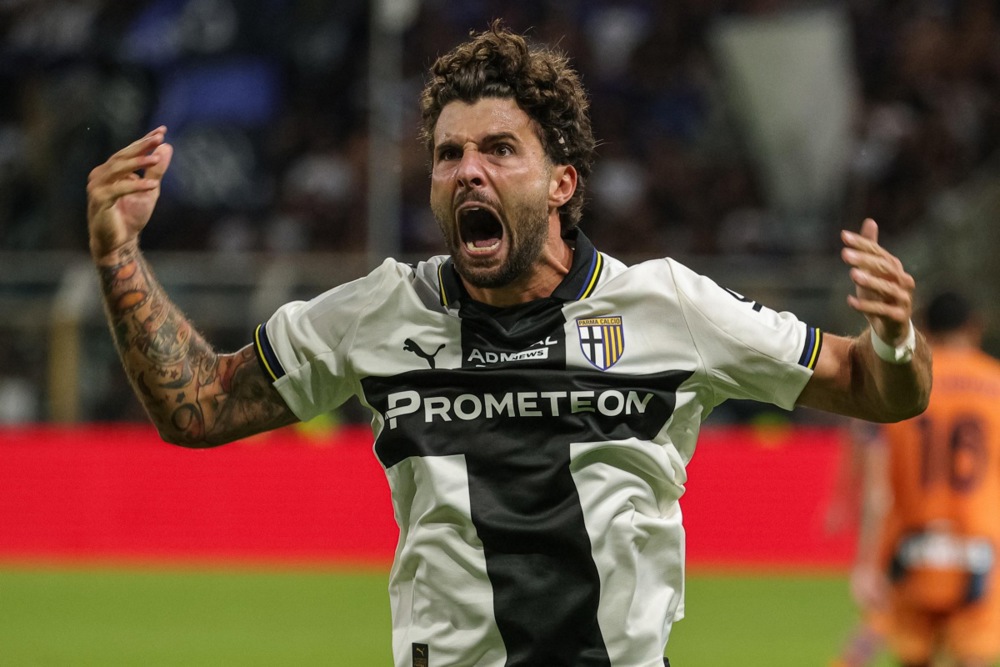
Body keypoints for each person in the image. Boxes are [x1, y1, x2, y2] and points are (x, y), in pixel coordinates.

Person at [86, 22, 931, 667]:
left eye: (498, 150)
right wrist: (118, 253)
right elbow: (198, 404)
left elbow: (877, 386)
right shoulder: (380, 312)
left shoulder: (668, 305)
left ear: (562, 183)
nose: (467, 172)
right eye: (448, 154)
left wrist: (894, 339)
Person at [842, 291, 1000, 667]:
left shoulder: (903, 388)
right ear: (975, 327)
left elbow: (878, 492)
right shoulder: (995, 384)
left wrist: (866, 564)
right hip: (979, 547)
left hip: (912, 550)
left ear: (924, 331)